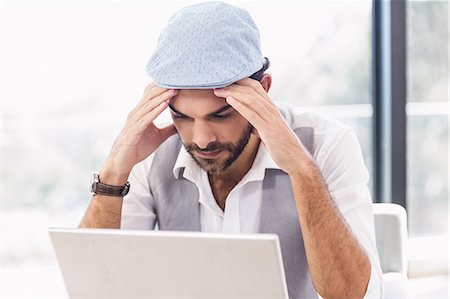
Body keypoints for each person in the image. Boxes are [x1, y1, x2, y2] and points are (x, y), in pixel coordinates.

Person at [80, 2, 384, 298]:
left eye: (221, 115)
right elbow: (91, 289)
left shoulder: (327, 143)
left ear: (263, 89)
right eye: (181, 116)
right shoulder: (152, 154)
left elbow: (353, 295)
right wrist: (114, 173)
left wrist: (302, 170)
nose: (201, 139)